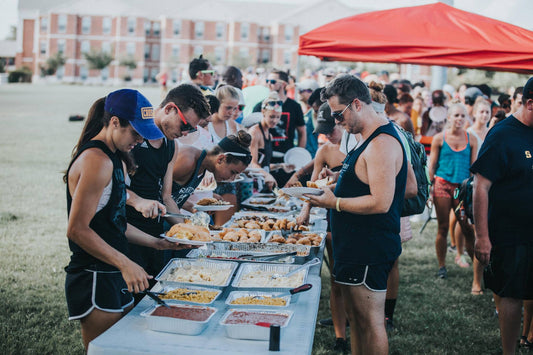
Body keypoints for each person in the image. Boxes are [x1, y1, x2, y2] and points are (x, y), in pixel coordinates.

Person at [63, 89, 191, 351]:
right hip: (95, 274)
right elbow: (77, 230)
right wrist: (125, 263)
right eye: (135, 132)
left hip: (112, 272)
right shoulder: (96, 160)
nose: (139, 139)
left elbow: (115, 221)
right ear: (114, 122)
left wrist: (157, 243)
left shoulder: (114, 158)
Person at [306, 74, 407, 355]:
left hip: (368, 247)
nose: (337, 122)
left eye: (339, 115)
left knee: (370, 323)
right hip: (356, 245)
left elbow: (381, 202)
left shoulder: (381, 143)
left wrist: (335, 202)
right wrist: (342, 178)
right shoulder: (369, 137)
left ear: (357, 104)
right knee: (358, 323)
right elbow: (399, 183)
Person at [472, 76, 533, 355]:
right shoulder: (502, 134)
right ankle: (509, 351)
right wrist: (482, 236)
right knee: (511, 294)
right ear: (529, 103)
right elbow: (481, 186)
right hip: (509, 232)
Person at [126, 84, 211, 282]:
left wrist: (188, 232)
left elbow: (166, 196)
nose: (185, 133)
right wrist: (137, 201)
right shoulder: (131, 138)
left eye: (192, 129)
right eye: (185, 126)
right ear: (169, 109)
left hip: (155, 235)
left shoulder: (170, 145)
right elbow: (114, 187)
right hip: (128, 233)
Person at [296, 102, 349, 352]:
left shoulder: (358, 146)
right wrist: (306, 210)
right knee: (337, 277)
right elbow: (313, 184)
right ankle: (341, 336)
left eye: (331, 129)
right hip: (332, 217)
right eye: (323, 130)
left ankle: (356, 320)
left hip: (356, 214)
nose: (327, 135)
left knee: (354, 280)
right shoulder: (324, 151)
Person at [428, 103, 477, 279]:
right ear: (449, 118)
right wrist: (429, 187)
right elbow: (432, 165)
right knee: (442, 227)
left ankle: (476, 268)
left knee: (467, 227)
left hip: (462, 188)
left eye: (462, 116)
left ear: (467, 118)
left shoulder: (471, 139)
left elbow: (473, 168)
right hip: (442, 185)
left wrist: (473, 192)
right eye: (456, 115)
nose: (459, 119)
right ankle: (442, 266)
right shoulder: (439, 138)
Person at [171, 131, 253, 211]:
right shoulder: (187, 160)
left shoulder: (202, 166)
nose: (232, 179)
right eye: (233, 172)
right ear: (221, 159)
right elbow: (161, 194)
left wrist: (193, 207)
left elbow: (173, 197)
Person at [208, 85, 241, 224]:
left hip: (227, 183)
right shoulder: (206, 124)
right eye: (228, 108)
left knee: (223, 229)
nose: (231, 112)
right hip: (207, 182)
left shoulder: (233, 126)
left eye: (234, 108)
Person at [247, 92, 283, 191]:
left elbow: (264, 165)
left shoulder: (269, 135)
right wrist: (267, 175)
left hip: (262, 182)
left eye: (278, 117)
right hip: (252, 184)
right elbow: (252, 163)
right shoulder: (254, 133)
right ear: (263, 112)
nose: (275, 121)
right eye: (271, 117)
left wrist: (280, 166)